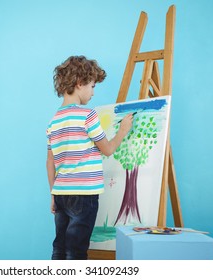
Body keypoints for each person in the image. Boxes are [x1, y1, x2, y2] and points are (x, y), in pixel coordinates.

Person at [46, 55, 134, 260]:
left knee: (60, 248)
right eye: (92, 86)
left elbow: (50, 162)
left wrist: (53, 193)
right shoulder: (88, 115)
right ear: (79, 83)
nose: (93, 93)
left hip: (61, 195)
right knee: (76, 251)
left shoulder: (53, 121)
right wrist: (122, 131)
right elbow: (108, 149)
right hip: (84, 195)